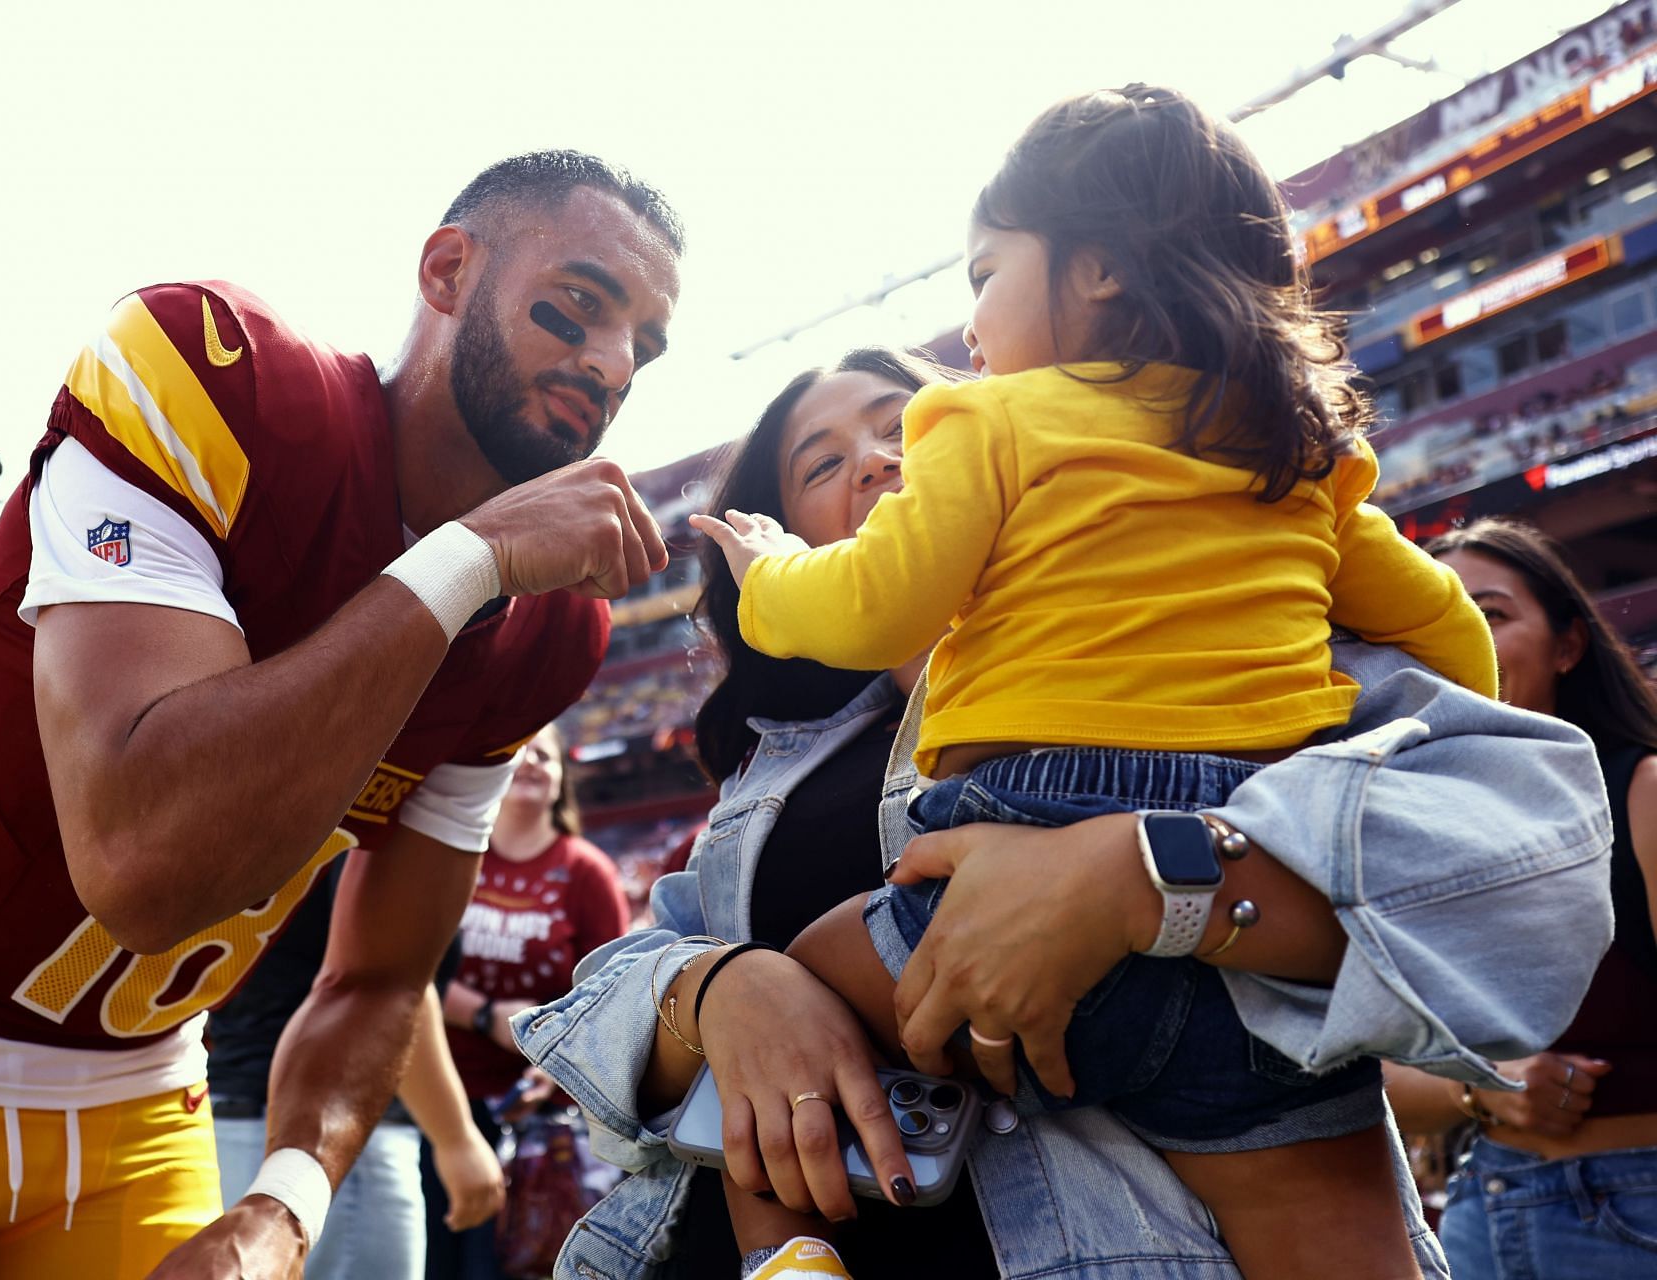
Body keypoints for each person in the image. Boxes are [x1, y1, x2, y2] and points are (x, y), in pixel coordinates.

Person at [0, 150, 682, 1280]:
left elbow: (380, 979)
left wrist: (282, 1204)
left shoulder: (544, 629)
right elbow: (144, 864)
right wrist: (460, 563)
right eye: (579, 306)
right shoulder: (212, 378)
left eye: (643, 345)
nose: (612, 362)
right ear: (446, 269)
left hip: (142, 1093)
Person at [513, 344, 1613, 1280]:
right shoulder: (777, 765)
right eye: (823, 462)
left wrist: (1148, 879)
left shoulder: (1218, 622)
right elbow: (601, 998)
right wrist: (720, 989)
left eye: (902, 427)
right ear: (795, 537)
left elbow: (1528, 861)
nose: (877, 462)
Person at [695, 86, 1494, 1278]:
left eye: (982, 273)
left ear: (1101, 269)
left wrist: (772, 569)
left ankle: (789, 1254)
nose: (966, 321)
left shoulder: (989, 416)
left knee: (785, 1003)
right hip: (1249, 900)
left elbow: (876, 604)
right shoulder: (1296, 453)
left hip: (1010, 840)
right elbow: (1450, 638)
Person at [1384, 517, 1657, 1279]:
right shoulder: (1399, 829)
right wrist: (1479, 1093)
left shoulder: (1644, 793)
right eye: (1432, 621)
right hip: (1477, 1219)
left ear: (1569, 645)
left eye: (1491, 614)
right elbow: (1350, 1070)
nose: (1460, 639)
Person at [205, 858, 505, 1279]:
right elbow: (386, 983)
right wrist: (455, 1138)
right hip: (339, 1136)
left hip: (242, 1120)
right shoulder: (359, 812)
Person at [432, 723, 631, 1278]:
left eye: (546, 755)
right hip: (444, 1100)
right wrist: (482, 1014)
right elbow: (406, 974)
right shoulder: (452, 859)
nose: (533, 762)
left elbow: (613, 990)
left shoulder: (588, 871)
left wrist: (558, 1065)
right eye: (519, 749)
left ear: (562, 777)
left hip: (544, 1118)